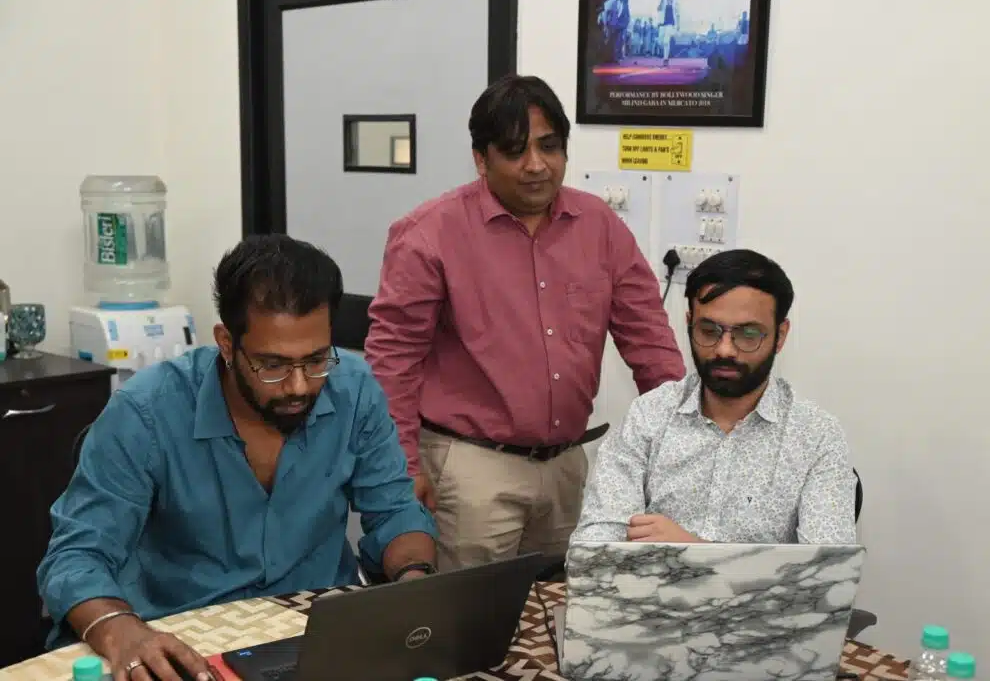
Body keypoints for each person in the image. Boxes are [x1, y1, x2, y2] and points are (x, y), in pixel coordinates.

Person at [38, 235, 437, 681]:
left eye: (316, 360)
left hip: (316, 636)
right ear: (227, 344)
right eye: (273, 365)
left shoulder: (355, 389)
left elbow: (396, 513)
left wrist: (414, 586)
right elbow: (77, 556)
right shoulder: (146, 412)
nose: (299, 386)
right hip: (182, 641)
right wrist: (122, 633)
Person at [364, 74, 685, 572]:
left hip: (566, 467)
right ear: (481, 158)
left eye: (549, 147)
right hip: (470, 473)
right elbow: (394, 363)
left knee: (556, 607)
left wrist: (686, 449)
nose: (536, 165)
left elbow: (650, 342)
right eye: (515, 151)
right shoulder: (429, 234)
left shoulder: (599, 225)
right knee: (467, 615)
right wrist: (403, 470)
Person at [572, 249, 857, 545]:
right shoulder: (649, 416)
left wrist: (693, 550)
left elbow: (825, 569)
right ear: (689, 324)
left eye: (748, 334)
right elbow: (596, 546)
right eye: (709, 331)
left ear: (780, 335)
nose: (724, 350)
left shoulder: (816, 435)